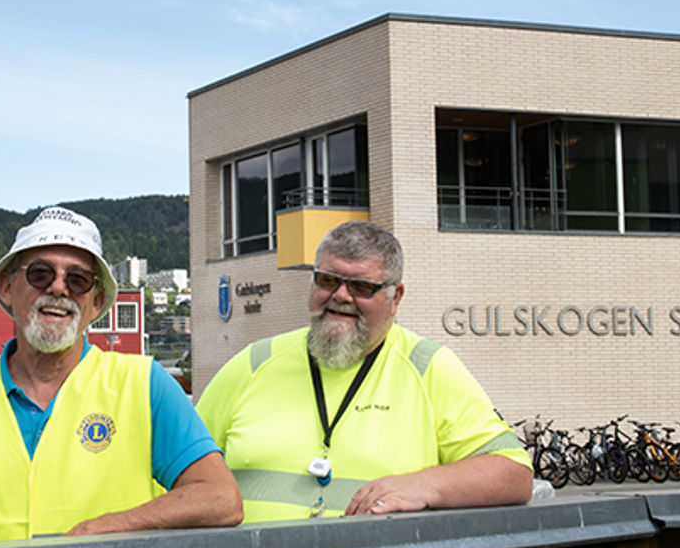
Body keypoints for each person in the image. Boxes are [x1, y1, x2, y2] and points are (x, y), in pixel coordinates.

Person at [0, 206, 242, 547]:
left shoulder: (143, 385)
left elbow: (221, 498)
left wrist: (109, 526)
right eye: (40, 274)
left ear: (96, 303)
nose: (59, 289)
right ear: (7, 287)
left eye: (78, 279)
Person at [197, 220, 532, 521]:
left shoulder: (429, 368)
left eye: (360, 286)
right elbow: (178, 471)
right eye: (328, 280)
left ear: (395, 296)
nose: (340, 296)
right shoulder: (254, 362)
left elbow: (513, 473)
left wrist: (423, 486)